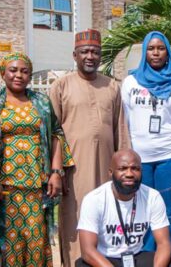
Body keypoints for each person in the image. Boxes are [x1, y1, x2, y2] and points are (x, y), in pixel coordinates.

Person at [49, 28, 130, 267]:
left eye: (95, 52)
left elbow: (121, 130)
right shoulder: (61, 86)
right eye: (84, 52)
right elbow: (53, 132)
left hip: (107, 169)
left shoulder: (113, 87)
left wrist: (123, 170)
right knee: (74, 220)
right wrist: (56, 171)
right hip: (72, 172)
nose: (90, 57)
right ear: (75, 55)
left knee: (108, 218)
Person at [0, 52, 74, 267]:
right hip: (5, 187)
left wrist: (55, 172)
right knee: (9, 246)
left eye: (25, 71)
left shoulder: (41, 102)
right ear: (3, 73)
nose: (19, 75)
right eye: (13, 70)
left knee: (36, 243)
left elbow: (56, 134)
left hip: (36, 186)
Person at [120, 31, 171, 262]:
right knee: (143, 212)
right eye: (151, 48)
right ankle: (149, 260)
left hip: (170, 155)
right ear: (144, 52)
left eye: (161, 48)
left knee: (169, 211)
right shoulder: (131, 82)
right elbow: (126, 124)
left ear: (167, 52)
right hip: (140, 161)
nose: (156, 53)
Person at [76, 149, 171, 267]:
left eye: (135, 169)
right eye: (122, 169)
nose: (129, 174)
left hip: (136, 256)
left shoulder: (152, 197)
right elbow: (88, 251)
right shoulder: (94, 199)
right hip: (106, 259)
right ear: (110, 172)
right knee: (82, 264)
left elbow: (164, 244)